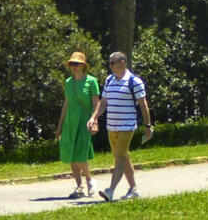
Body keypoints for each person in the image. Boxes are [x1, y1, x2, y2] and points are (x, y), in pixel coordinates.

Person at [89, 52, 151, 200]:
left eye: (112, 63)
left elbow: (143, 105)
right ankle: (133, 189)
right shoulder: (110, 80)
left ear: (122, 63)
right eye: (109, 63)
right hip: (112, 126)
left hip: (126, 126)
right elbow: (103, 102)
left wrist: (148, 126)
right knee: (123, 157)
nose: (110, 66)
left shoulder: (134, 81)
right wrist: (94, 117)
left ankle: (110, 191)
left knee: (120, 158)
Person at [58, 50, 101, 200]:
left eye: (76, 64)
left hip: (84, 121)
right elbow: (66, 104)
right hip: (70, 122)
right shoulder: (68, 82)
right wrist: (60, 126)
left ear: (83, 66)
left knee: (80, 154)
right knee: (71, 154)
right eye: (71, 64)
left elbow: (96, 103)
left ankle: (89, 180)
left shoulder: (91, 81)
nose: (73, 67)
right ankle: (79, 186)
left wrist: (95, 120)